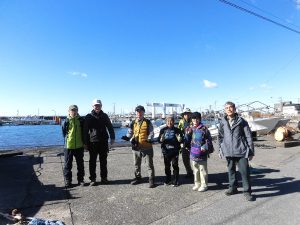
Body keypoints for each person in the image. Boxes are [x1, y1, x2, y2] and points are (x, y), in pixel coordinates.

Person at [218, 101, 255, 201]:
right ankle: (233, 188)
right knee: (231, 171)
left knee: (244, 172)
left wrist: (251, 151)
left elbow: (248, 136)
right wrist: (221, 149)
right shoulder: (223, 122)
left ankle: (247, 191)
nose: (229, 109)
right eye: (227, 108)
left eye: (231, 107)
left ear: (234, 109)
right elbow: (220, 137)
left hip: (241, 151)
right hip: (228, 151)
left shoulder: (242, 121)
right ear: (225, 110)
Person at [121, 105, 155, 188]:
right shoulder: (133, 122)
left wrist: (150, 139)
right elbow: (130, 133)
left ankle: (151, 180)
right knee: (136, 164)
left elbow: (151, 132)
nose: (139, 113)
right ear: (136, 113)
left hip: (147, 147)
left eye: (141, 111)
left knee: (149, 165)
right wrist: (127, 137)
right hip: (136, 147)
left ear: (143, 112)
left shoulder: (147, 122)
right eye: (137, 111)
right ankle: (138, 178)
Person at [83, 99, 115, 186]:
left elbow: (110, 127)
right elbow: (85, 131)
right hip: (93, 142)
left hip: (103, 142)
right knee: (92, 161)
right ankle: (93, 179)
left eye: (99, 105)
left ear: (101, 106)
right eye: (96, 105)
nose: (97, 107)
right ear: (93, 106)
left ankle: (104, 178)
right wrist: (85, 143)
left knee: (103, 161)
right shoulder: (88, 116)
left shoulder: (105, 116)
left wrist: (112, 137)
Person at [186, 112, 213, 192]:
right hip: (193, 153)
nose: (195, 120)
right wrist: (187, 134)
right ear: (192, 120)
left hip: (202, 153)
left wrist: (205, 146)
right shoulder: (190, 128)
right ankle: (197, 184)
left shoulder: (204, 128)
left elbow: (209, 140)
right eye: (193, 118)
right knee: (195, 169)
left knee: (202, 170)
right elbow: (187, 141)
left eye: (197, 118)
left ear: (199, 119)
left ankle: (204, 185)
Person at [62, 105, 85, 188]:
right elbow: (63, 133)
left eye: (75, 110)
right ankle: (68, 181)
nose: (74, 112)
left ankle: (80, 180)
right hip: (68, 146)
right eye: (72, 110)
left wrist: (85, 143)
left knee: (80, 164)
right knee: (68, 165)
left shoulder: (81, 120)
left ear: (77, 111)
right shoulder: (66, 121)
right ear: (69, 111)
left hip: (79, 146)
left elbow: (84, 132)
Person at [158, 115, 183, 187]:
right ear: (166, 122)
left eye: (171, 121)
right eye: (168, 121)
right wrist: (161, 140)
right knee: (167, 166)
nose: (169, 122)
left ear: (174, 122)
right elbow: (158, 140)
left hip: (175, 151)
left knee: (175, 166)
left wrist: (180, 140)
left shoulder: (177, 130)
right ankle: (168, 179)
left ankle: (175, 180)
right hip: (166, 151)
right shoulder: (162, 130)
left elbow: (182, 140)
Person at [177, 108, 194, 178]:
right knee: (185, 159)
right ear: (183, 115)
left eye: (188, 113)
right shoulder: (181, 122)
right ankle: (189, 172)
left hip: (193, 143)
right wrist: (178, 138)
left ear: (190, 114)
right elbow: (178, 131)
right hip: (184, 143)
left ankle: (196, 173)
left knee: (194, 160)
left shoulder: (193, 121)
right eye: (185, 114)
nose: (187, 115)